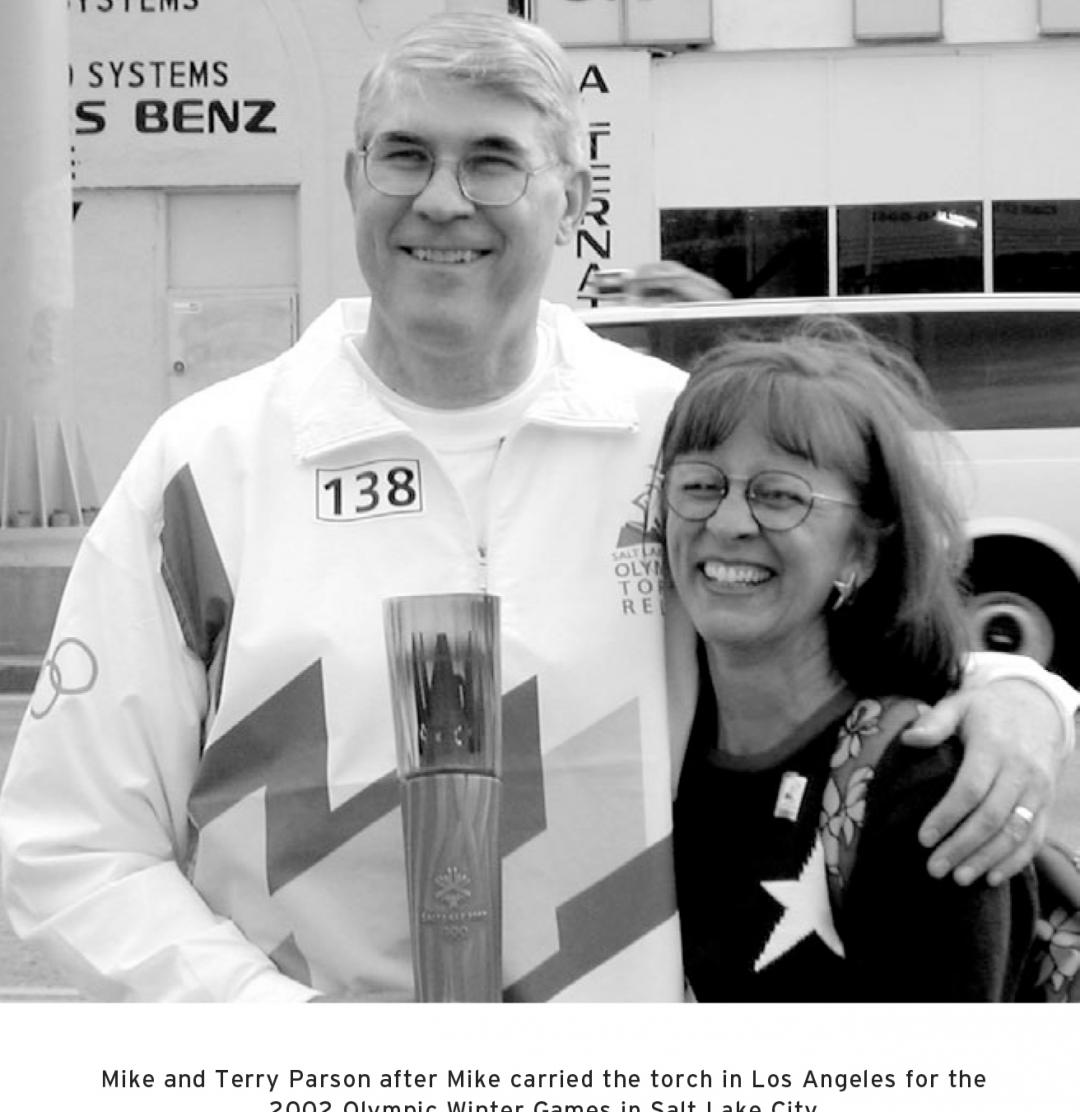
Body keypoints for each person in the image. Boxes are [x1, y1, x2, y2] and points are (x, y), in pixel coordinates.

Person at [0, 13, 1073, 1002]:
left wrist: (1017, 690)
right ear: (352, 178)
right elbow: (69, 847)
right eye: (405, 154)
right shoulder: (208, 466)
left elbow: (839, 639)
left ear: (575, 199)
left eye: (495, 162)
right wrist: (274, 1033)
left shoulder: (675, 440)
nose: (442, 199)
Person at [664, 320, 1038, 999]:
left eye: (780, 496)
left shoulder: (927, 793)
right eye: (699, 484)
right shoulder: (658, 753)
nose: (727, 523)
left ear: (862, 550)